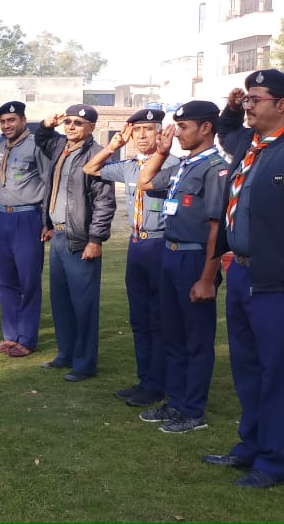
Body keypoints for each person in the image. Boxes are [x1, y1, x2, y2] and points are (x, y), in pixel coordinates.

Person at [206, 69, 284, 488]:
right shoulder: (252, 145)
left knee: (279, 375)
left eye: (255, 99)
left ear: (281, 104)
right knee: (247, 369)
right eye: (247, 99)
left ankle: (272, 463)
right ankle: (249, 446)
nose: (248, 104)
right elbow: (226, 127)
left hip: (281, 285)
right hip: (242, 275)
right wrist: (233, 107)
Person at [136, 101, 228, 434]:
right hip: (170, 254)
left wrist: (207, 278)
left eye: (184, 127)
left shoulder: (215, 168)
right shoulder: (184, 164)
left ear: (206, 128)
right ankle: (174, 402)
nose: (178, 133)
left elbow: (217, 228)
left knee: (196, 338)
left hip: (195, 258)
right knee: (172, 334)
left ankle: (193, 411)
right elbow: (144, 182)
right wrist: (162, 152)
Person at [83, 109, 177, 407]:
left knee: (158, 318)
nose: (142, 136)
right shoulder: (128, 166)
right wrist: (112, 146)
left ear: (160, 133)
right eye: (137, 131)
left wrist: (158, 156)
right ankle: (144, 379)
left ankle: (158, 383)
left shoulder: (173, 165)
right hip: (137, 245)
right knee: (139, 318)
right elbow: (90, 169)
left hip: (160, 245)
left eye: (148, 129)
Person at [35, 104, 116, 381]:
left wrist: (96, 239)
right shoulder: (60, 147)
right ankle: (65, 353)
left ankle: (84, 363)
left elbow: (104, 202)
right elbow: (41, 139)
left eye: (78, 123)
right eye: (68, 121)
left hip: (80, 238)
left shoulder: (97, 155)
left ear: (91, 127)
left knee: (83, 304)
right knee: (60, 301)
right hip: (57, 235)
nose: (70, 126)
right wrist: (46, 124)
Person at [0, 101, 48, 357]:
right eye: (3, 121)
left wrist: (46, 222)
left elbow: (49, 183)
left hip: (27, 218)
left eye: (11, 121)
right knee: (4, 281)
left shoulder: (37, 144)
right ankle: (10, 336)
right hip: (1, 218)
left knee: (28, 281)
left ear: (23, 121)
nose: (7, 126)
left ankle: (26, 339)